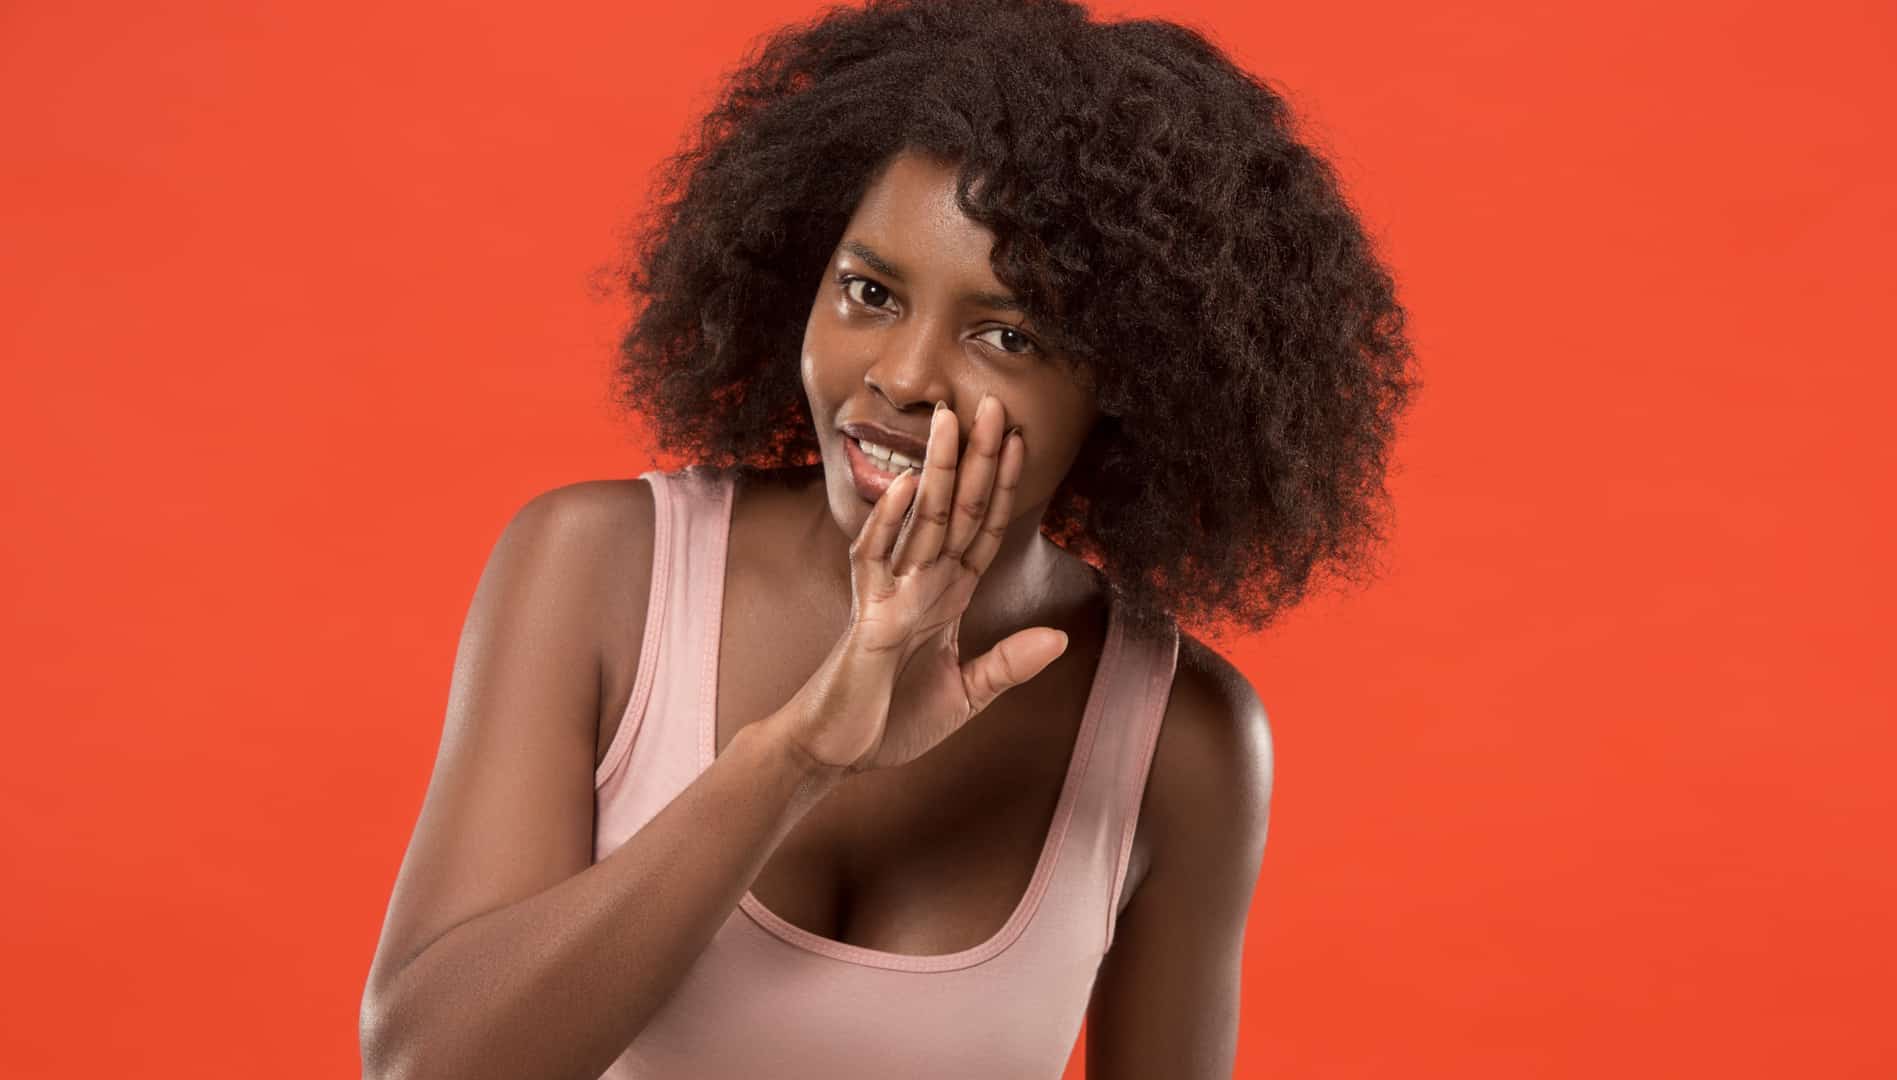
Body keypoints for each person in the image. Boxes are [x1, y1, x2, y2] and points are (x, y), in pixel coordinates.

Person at [359, 0, 1419, 1076]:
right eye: (869, 292)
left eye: (1006, 334)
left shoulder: (1179, 739)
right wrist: (799, 753)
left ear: (1133, 382)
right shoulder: (599, 569)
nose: (903, 378)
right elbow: (427, 1063)